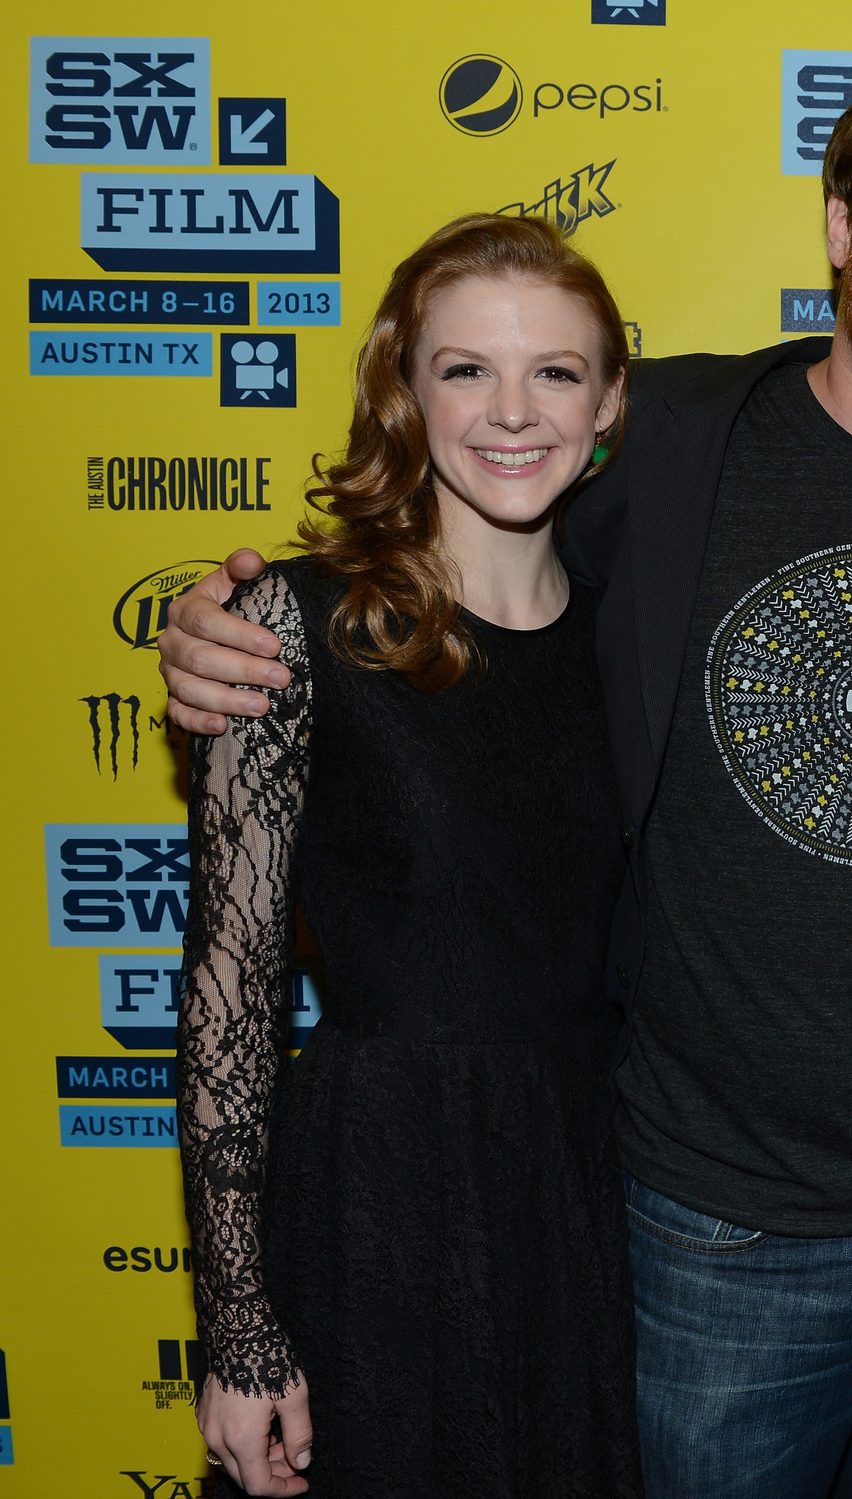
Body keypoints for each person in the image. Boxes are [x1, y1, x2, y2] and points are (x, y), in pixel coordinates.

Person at [159, 54, 852, 1497]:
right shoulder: (651, 446)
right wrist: (224, 639)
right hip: (714, 1233)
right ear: (840, 225)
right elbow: (432, 580)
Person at [177, 213, 639, 1498]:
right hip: (380, 1190)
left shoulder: (632, 645)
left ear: (608, 400)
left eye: (554, 371)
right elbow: (230, 987)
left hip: (590, 1195)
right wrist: (241, 1326)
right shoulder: (297, 624)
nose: (512, 411)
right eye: (464, 369)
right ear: (403, 390)